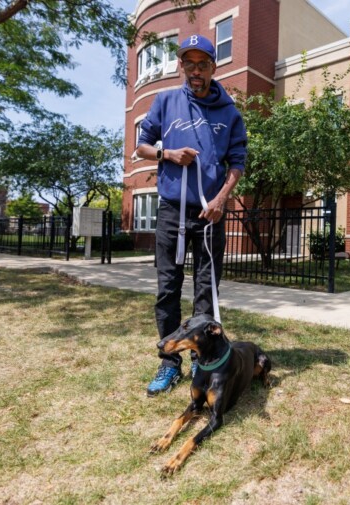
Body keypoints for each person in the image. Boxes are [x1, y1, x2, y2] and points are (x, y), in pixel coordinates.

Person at [135, 34, 247, 397]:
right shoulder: (165, 101)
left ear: (214, 67)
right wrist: (166, 153)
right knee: (168, 286)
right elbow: (141, 147)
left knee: (206, 287)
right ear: (181, 66)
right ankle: (169, 362)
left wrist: (221, 200)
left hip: (210, 213)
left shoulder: (229, 112)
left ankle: (202, 359)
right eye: (189, 64)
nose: (195, 71)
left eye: (203, 64)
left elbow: (238, 162)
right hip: (172, 210)